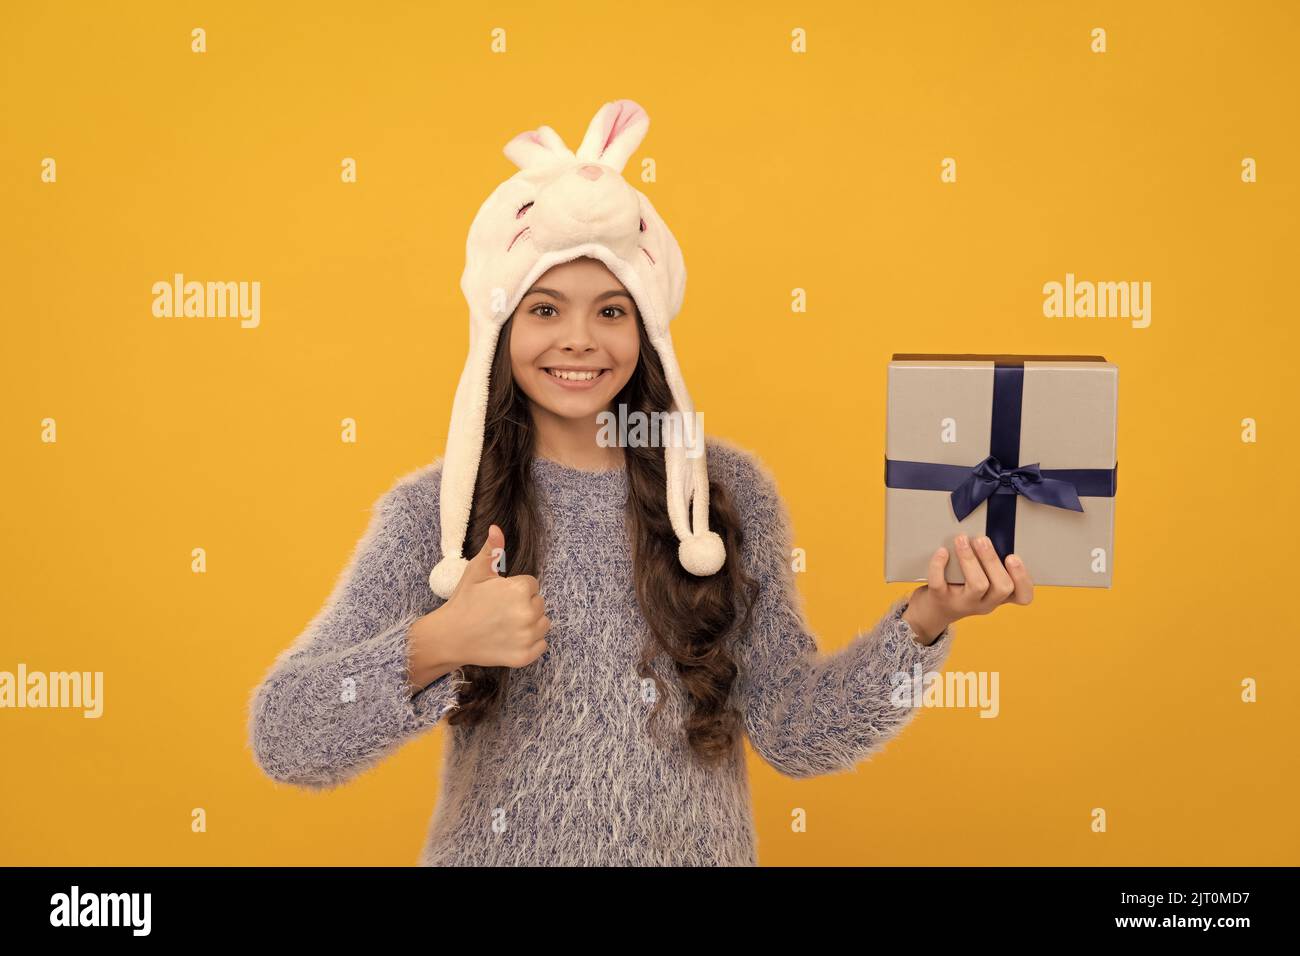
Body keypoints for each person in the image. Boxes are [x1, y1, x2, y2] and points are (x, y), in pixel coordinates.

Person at [246, 99, 1034, 866]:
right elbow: (285, 740)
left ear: (649, 328)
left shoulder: (722, 496)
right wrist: (438, 643)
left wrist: (925, 622)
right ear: (501, 327)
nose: (580, 340)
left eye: (613, 312)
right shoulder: (438, 513)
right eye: (545, 309)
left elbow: (798, 734)